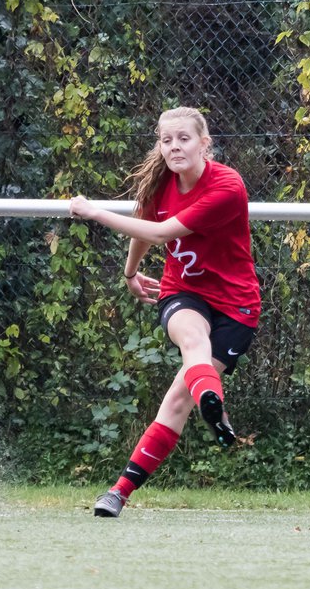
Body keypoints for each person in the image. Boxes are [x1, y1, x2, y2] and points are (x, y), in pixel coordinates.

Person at [69, 106, 261, 518]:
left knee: (177, 399)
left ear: (204, 144)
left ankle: (207, 398)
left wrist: (94, 212)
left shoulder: (226, 186)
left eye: (184, 138)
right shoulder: (159, 184)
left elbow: (158, 233)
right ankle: (117, 493)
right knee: (192, 341)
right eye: (166, 139)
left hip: (236, 305)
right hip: (184, 291)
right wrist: (130, 273)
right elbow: (145, 219)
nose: (174, 146)